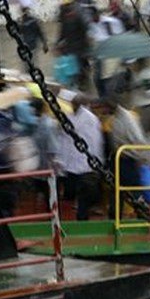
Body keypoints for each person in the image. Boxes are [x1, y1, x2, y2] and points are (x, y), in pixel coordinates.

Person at [54, 92, 104, 220]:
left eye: (75, 104)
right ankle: (79, 215)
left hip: (86, 163)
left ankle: (82, 218)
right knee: (72, 191)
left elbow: (95, 141)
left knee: (83, 194)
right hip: (72, 163)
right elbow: (64, 139)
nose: (73, 106)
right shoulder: (70, 117)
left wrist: (96, 161)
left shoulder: (90, 119)